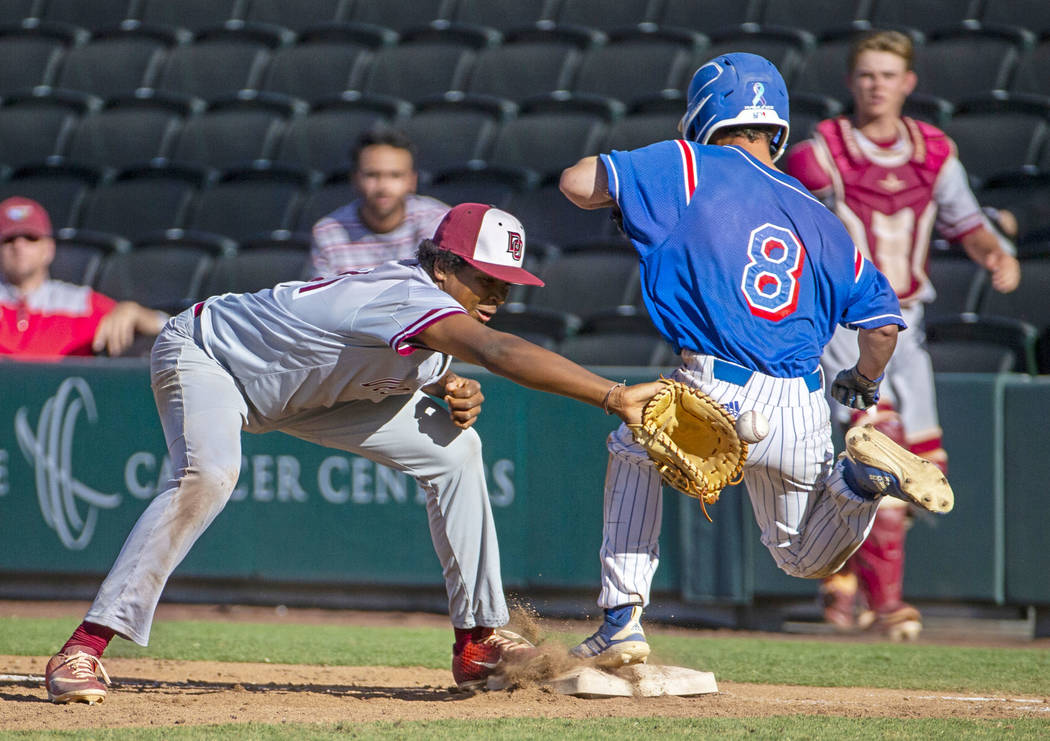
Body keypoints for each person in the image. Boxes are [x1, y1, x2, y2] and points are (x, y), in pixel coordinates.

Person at [43, 203, 666, 704]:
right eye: (486, 278)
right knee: (209, 474)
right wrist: (613, 395)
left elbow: (409, 357)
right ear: (443, 266)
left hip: (301, 394)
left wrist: (445, 382)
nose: (498, 294)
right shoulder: (407, 294)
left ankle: (479, 639)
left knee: (455, 451)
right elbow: (500, 352)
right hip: (209, 356)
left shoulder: (437, 311)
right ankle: (86, 645)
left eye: (508, 284)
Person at [559, 52, 952, 667]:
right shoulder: (821, 215)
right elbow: (881, 328)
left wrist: (633, 193)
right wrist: (861, 382)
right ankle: (859, 482)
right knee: (802, 558)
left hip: (714, 382)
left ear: (704, 112)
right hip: (801, 403)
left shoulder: (689, 161)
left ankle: (620, 622)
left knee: (632, 446)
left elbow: (577, 182)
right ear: (777, 126)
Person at [783, 30, 1020, 639]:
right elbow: (779, 216)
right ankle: (886, 604)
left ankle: (846, 587)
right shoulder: (823, 152)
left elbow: (967, 221)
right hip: (847, 322)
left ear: (908, 83)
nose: (876, 85)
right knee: (878, 450)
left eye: (888, 74)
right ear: (851, 81)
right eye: (866, 74)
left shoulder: (935, 152)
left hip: (907, 327)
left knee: (913, 465)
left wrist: (996, 252)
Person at [0, 197, 166, 359]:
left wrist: (135, 312)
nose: (18, 246)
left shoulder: (80, 303)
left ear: (49, 248)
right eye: (9, 239)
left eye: (31, 238)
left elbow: (170, 326)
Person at [310, 128, 449, 276]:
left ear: (412, 181)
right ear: (355, 179)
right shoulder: (327, 233)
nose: (383, 186)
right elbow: (320, 297)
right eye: (372, 175)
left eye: (395, 175)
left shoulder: (440, 222)